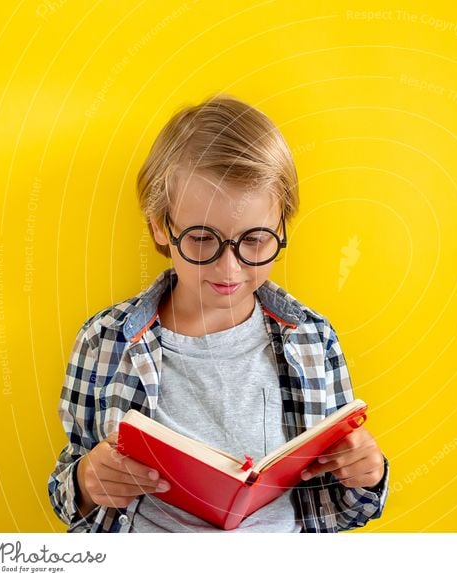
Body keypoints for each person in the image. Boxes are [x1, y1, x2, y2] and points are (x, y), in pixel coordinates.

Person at [47, 94, 389, 532]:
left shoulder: (312, 340)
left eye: (256, 240)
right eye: (202, 238)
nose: (230, 268)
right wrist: (85, 482)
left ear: (282, 225)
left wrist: (368, 475)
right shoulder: (105, 341)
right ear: (159, 225)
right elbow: (70, 495)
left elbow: (345, 510)